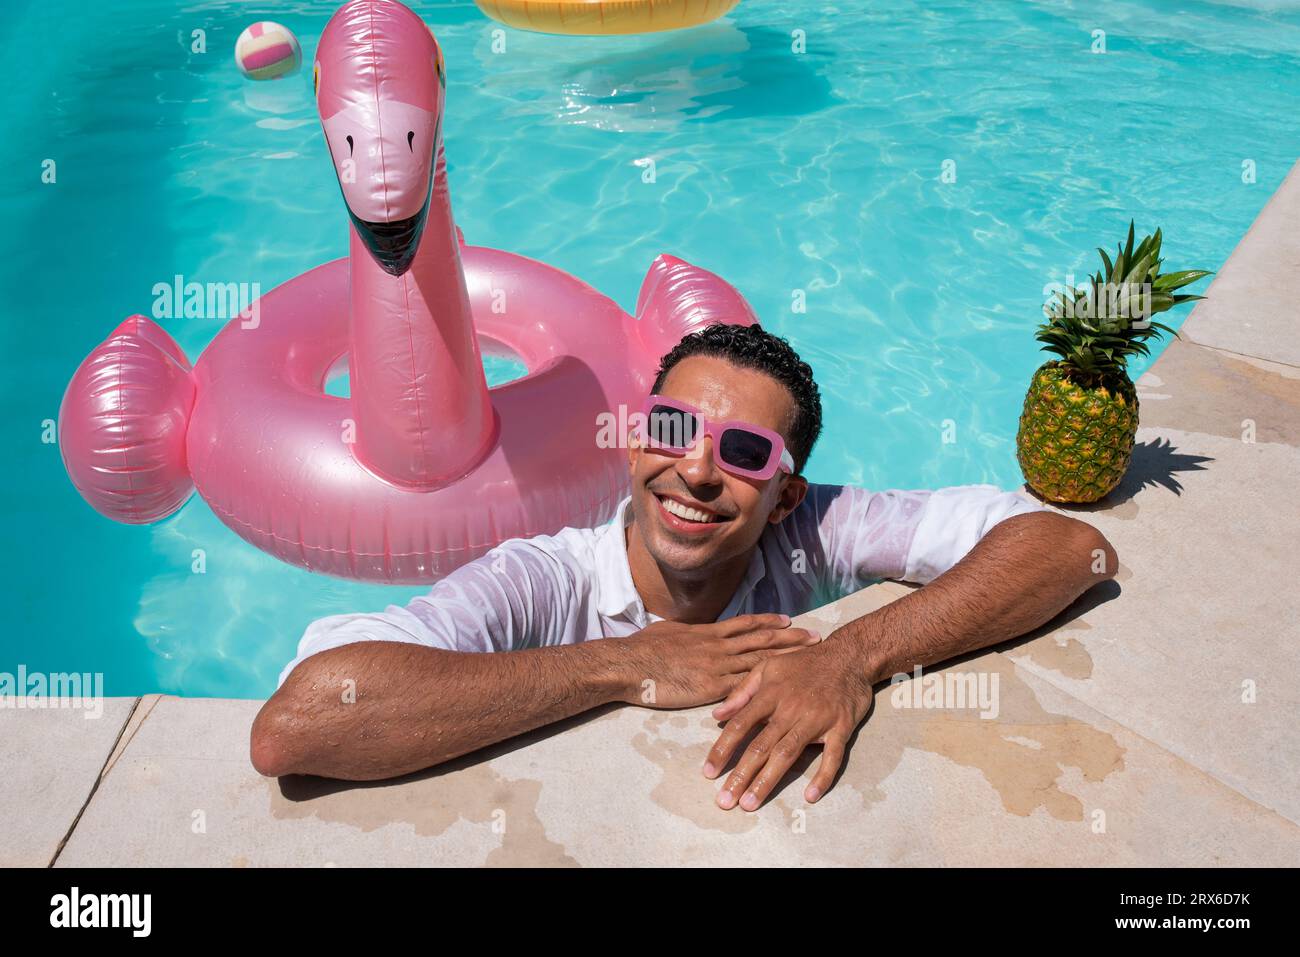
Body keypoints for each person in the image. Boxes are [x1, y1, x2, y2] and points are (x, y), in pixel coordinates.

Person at [251, 324, 1116, 811]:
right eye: (671, 429)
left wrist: (849, 655)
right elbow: (298, 724)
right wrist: (627, 664)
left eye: (743, 451)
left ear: (784, 494)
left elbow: (1069, 546)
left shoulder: (814, 528)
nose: (697, 470)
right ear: (635, 445)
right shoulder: (544, 581)